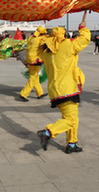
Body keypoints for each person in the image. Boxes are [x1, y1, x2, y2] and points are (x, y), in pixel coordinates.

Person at [37, 20, 90, 154]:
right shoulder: (68, 45)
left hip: (55, 90)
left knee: (72, 117)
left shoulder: (47, 52)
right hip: (68, 89)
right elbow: (85, 39)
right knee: (71, 120)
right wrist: (82, 27)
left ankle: (72, 143)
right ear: (63, 35)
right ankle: (48, 132)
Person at [18, 26, 49, 102]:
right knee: (32, 78)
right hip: (35, 60)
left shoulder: (30, 38)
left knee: (35, 77)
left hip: (29, 59)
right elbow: (46, 46)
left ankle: (40, 93)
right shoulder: (41, 39)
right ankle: (23, 94)